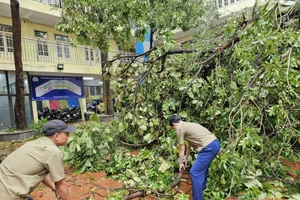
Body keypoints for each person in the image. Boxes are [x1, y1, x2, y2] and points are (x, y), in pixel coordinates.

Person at [0, 120, 76, 200]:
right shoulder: (52, 151)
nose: (68, 137)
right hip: (10, 195)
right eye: (66, 134)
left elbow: (39, 171)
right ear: (56, 136)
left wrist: (54, 188)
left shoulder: (34, 144)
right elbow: (60, 184)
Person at [169, 115, 220, 200]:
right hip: (215, 143)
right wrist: (185, 159)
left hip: (208, 148)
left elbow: (181, 147)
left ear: (175, 124)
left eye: (173, 128)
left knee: (194, 172)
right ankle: (202, 190)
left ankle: (198, 198)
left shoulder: (179, 129)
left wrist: (181, 162)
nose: (174, 130)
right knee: (202, 169)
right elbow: (189, 144)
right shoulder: (189, 125)